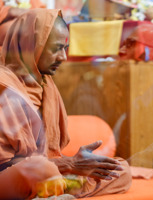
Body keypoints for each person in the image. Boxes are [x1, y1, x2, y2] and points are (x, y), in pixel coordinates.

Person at [0, 8, 132, 199]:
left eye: (65, 48)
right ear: (31, 45)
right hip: (14, 176)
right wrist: (70, 164)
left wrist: (79, 166)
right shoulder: (4, 86)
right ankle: (53, 189)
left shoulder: (46, 85)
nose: (63, 57)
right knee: (42, 169)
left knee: (121, 169)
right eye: (56, 48)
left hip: (47, 173)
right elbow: (7, 165)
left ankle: (53, 191)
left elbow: (52, 156)